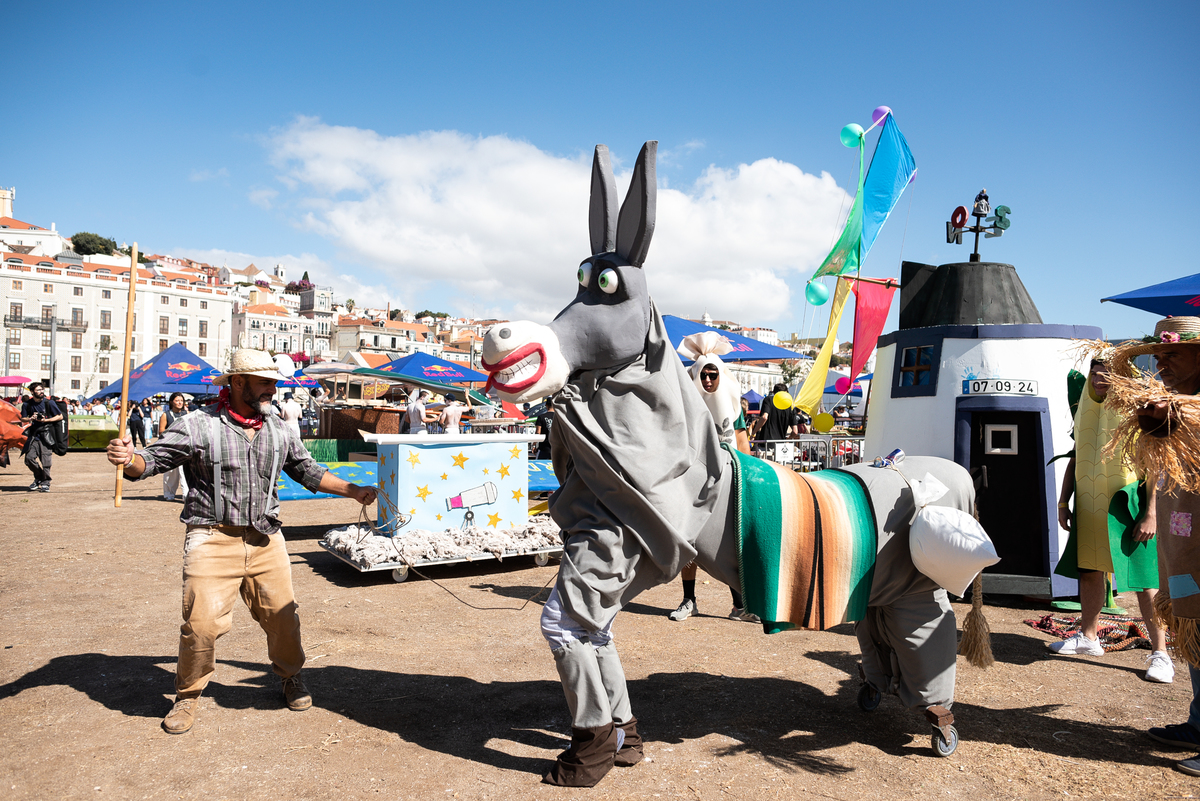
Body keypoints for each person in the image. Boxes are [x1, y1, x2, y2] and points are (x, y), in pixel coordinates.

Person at [105, 348, 378, 736]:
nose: (272, 389)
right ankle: (188, 695)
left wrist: (353, 490)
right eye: (264, 382)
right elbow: (150, 463)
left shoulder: (279, 427)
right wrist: (128, 459)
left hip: (267, 539)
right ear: (237, 382)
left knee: (283, 618)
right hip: (212, 537)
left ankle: (290, 676)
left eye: (274, 382)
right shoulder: (196, 425)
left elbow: (308, 471)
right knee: (200, 625)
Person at [1051, 354, 1171, 682]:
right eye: (1095, 373)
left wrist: (1151, 514)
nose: (1100, 379)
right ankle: (1089, 638)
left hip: (1127, 505)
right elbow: (1076, 457)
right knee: (1090, 572)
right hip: (1089, 505)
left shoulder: (1137, 410)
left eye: (1107, 374)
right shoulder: (1083, 407)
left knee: (1144, 583)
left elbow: (1154, 465)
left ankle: (1160, 653)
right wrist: (1064, 502)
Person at [670, 332, 755, 622]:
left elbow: (742, 443)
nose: (707, 380)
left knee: (732, 540)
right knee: (690, 540)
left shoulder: (732, 406)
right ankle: (688, 599)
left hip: (730, 481)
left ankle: (740, 605)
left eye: (712, 374)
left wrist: (749, 478)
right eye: (702, 375)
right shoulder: (685, 406)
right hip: (693, 481)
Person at [20, 383, 62, 492]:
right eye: (38, 390)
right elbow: (23, 418)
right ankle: (39, 477)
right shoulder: (27, 404)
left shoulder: (49, 403)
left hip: (46, 434)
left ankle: (46, 483)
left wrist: (45, 420)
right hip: (34, 435)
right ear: (32, 392)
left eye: (42, 389)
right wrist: (31, 418)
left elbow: (60, 416)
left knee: (46, 461)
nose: (41, 391)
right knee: (29, 458)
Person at [159, 393, 192, 501]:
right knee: (171, 472)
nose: (179, 403)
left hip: (185, 446)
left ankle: (186, 495)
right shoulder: (166, 414)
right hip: (170, 447)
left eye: (181, 401)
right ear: (171, 402)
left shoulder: (186, 413)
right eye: (177, 400)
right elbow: (161, 431)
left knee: (185, 471)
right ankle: (169, 493)